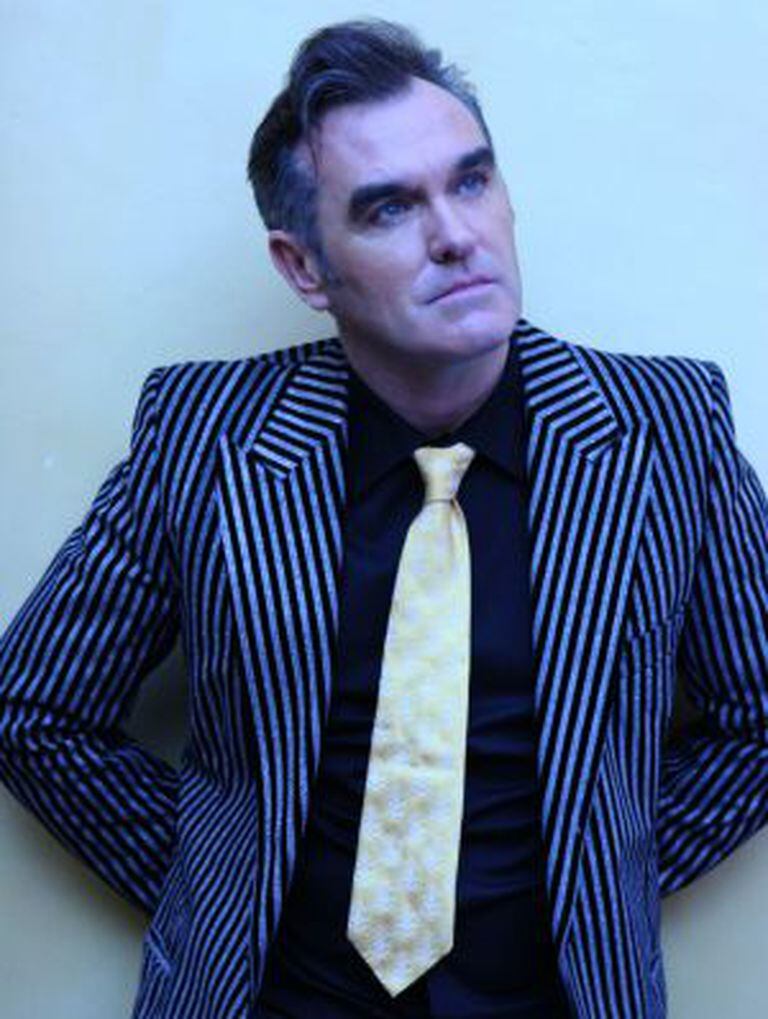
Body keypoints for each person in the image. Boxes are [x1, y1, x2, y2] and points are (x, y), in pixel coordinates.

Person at [0, 17, 766, 1019]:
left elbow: (761, 713)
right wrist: (220, 887)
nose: (455, 234)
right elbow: (34, 709)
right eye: (389, 207)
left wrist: (600, 883)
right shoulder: (205, 440)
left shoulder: (664, 433)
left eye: (471, 181)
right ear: (305, 267)